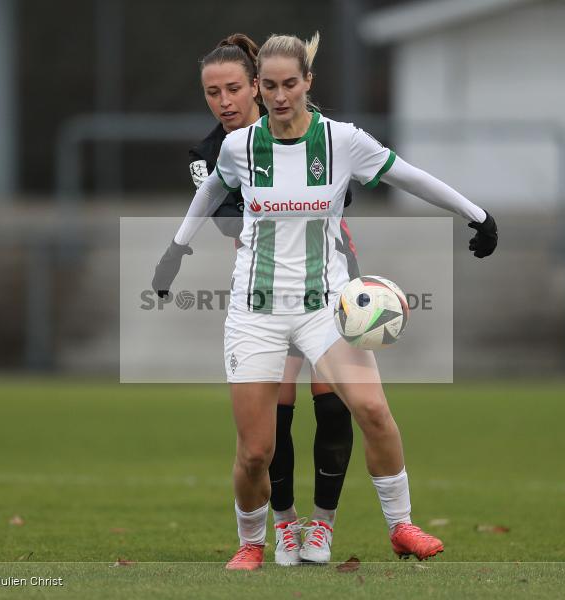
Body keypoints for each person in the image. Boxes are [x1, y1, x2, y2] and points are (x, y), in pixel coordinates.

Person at [154, 32, 498, 571]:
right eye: (270, 86)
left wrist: (475, 214)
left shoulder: (343, 140)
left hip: (325, 307)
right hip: (257, 311)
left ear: (308, 82)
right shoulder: (240, 147)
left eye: (290, 83)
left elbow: (409, 176)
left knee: (372, 411)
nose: (280, 95)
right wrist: (175, 250)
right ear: (259, 88)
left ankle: (401, 526)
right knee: (256, 450)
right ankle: (253, 542)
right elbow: (211, 190)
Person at [188, 33, 359, 566]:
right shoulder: (211, 155)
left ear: (256, 89)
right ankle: (284, 526)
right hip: (267, 293)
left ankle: (322, 525)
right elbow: (226, 224)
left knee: (334, 405)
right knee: (275, 420)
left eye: (234, 89)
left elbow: (339, 192)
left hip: (326, 279)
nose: (225, 102)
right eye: (213, 93)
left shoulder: (307, 128)